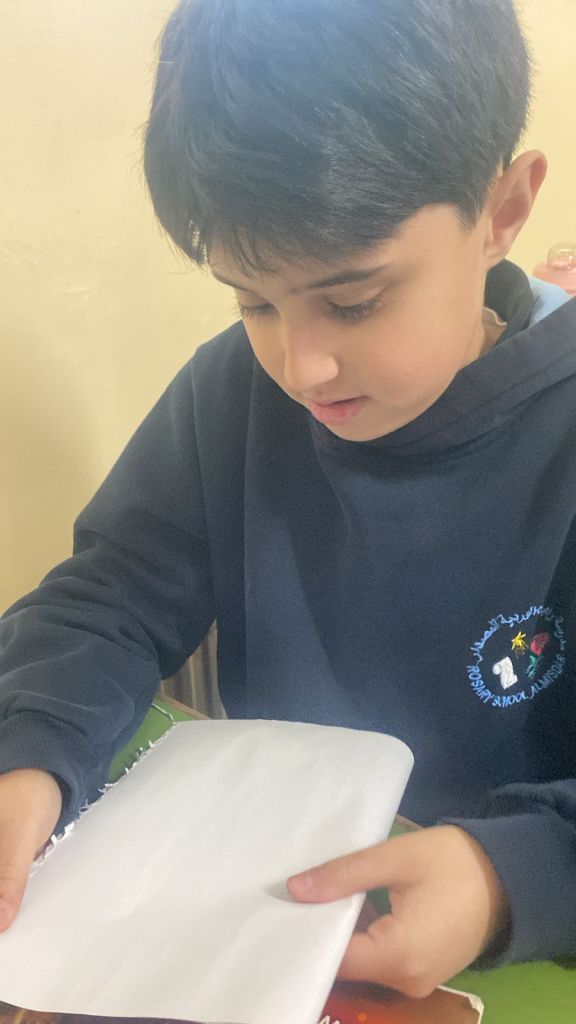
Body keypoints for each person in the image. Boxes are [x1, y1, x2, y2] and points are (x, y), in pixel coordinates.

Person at [1, 0, 575, 998]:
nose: (301, 366)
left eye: (355, 301)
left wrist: (507, 878)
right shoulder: (229, 390)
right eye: (253, 300)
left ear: (502, 212)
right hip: (251, 914)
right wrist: (32, 751)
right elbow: (110, 595)